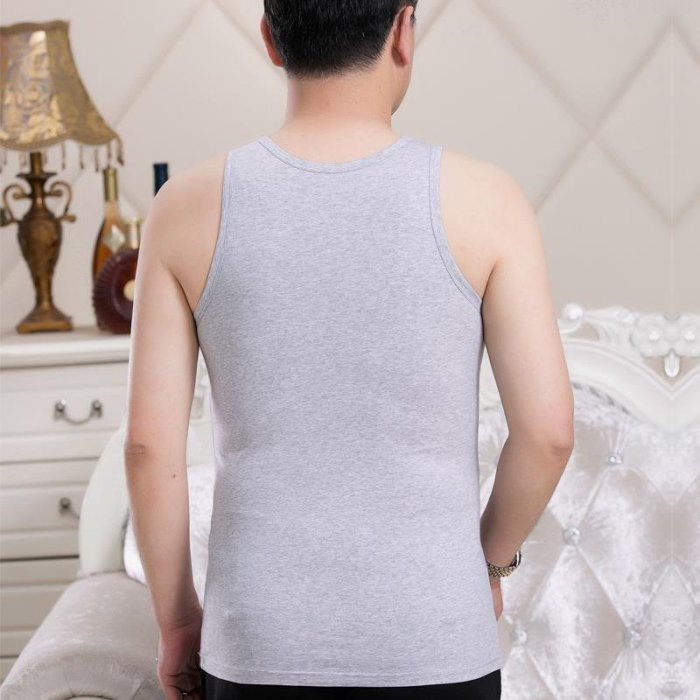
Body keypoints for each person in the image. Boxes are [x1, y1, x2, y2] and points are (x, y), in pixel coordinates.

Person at [123, 1, 575, 699]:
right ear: (403, 32)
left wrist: (178, 621)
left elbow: (148, 448)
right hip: (437, 639)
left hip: (258, 644)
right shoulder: (489, 200)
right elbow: (548, 435)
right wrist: (486, 566)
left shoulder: (183, 208)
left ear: (272, 39)